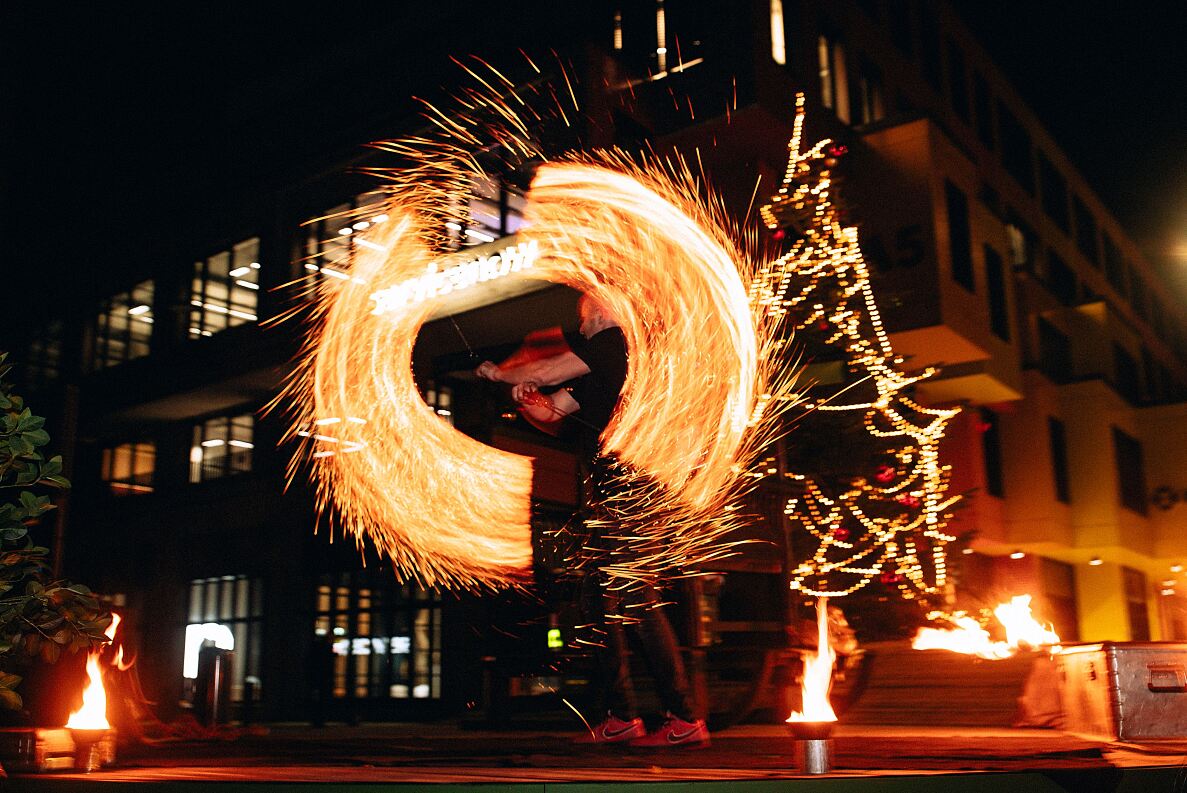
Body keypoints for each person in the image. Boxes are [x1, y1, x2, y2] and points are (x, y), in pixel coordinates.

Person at [476, 295, 710, 748]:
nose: (579, 326)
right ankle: (621, 715)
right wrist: (527, 398)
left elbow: (547, 371)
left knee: (634, 598)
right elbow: (549, 411)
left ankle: (682, 716)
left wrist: (500, 374)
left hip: (630, 485)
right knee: (600, 601)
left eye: (582, 317)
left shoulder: (615, 341)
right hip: (610, 488)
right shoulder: (597, 366)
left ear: (601, 311)